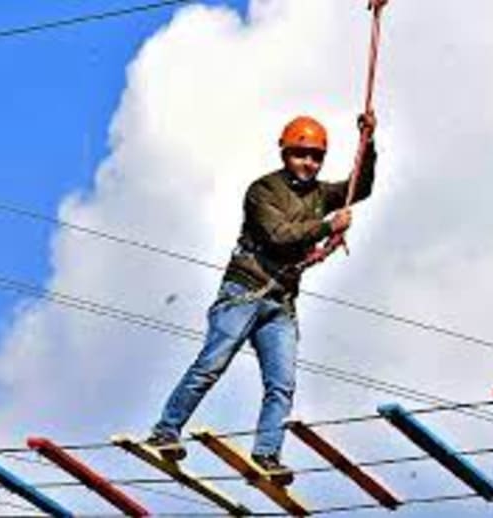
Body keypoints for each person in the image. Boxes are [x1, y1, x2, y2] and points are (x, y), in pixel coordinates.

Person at [146, 113, 378, 484]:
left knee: (282, 383)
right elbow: (278, 236)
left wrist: (368, 142)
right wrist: (327, 227)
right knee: (211, 365)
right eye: (302, 154)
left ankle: (267, 454)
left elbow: (359, 187)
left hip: (280, 302)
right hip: (245, 291)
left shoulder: (320, 194)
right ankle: (165, 431)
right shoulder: (263, 191)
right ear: (286, 153)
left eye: (316, 157)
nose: (309, 163)